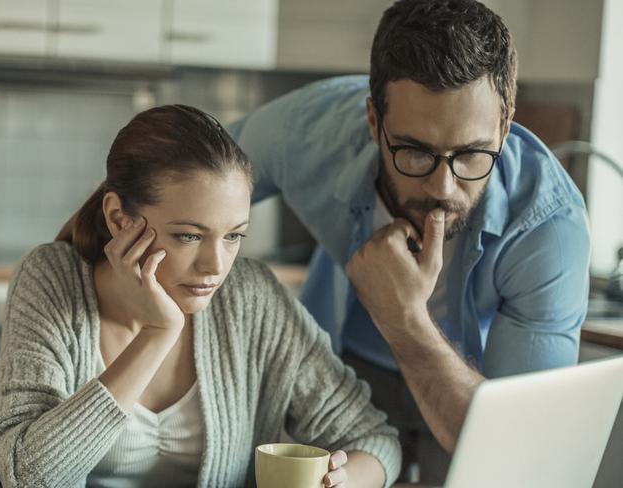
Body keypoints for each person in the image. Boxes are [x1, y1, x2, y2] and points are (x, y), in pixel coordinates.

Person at [227, 0, 591, 482]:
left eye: (471, 154)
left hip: (469, 381)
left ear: (505, 124)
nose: (442, 188)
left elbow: (517, 453)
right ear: (374, 122)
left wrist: (402, 318)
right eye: (415, 152)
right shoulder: (305, 134)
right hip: (342, 370)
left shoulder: (550, 228)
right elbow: (182, 178)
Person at [0, 105, 402, 488]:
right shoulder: (51, 281)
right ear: (118, 218)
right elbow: (27, 476)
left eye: (234, 236)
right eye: (189, 235)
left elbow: (373, 440)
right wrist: (157, 333)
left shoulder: (250, 298)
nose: (215, 266)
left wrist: (346, 480)